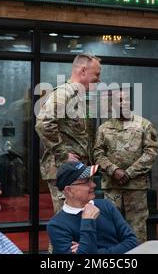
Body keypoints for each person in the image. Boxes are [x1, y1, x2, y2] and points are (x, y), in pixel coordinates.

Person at [35, 54, 101, 215]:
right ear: (83, 71)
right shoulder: (64, 93)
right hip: (65, 170)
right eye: (97, 74)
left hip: (78, 169)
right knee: (67, 223)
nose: (99, 79)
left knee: (79, 220)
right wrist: (63, 154)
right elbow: (44, 123)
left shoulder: (80, 97)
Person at [93, 90, 158, 243]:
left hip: (136, 186)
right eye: (118, 100)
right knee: (110, 226)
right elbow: (97, 153)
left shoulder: (144, 125)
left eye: (125, 99)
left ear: (131, 103)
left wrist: (128, 173)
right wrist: (113, 170)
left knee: (137, 227)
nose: (122, 103)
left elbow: (151, 153)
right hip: (111, 185)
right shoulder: (104, 128)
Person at [47, 161, 137, 254]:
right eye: (86, 182)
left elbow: (132, 242)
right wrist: (88, 221)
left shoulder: (106, 205)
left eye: (91, 180)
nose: (93, 185)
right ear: (69, 190)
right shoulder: (57, 226)